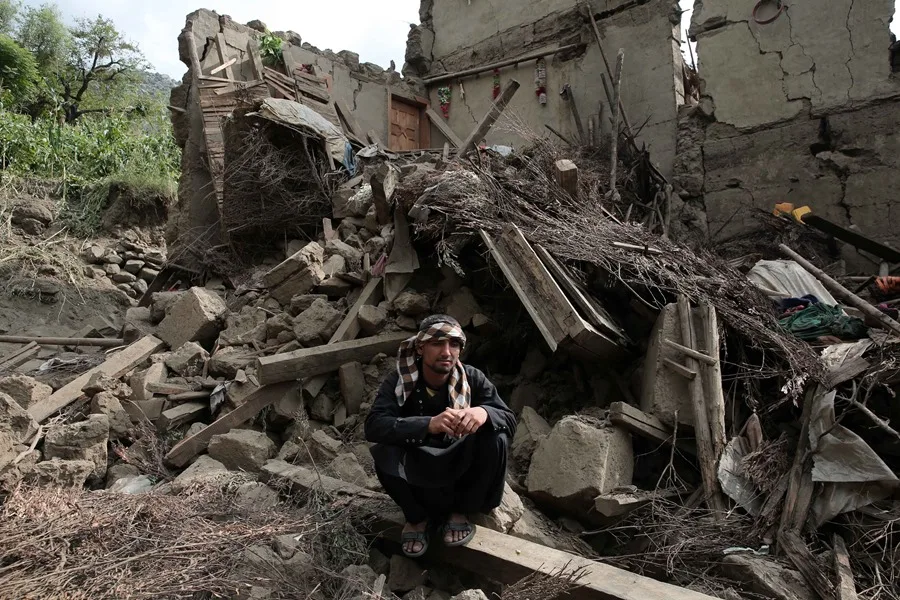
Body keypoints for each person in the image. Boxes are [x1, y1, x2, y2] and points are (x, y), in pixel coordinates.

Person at [365, 314, 516, 557]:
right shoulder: (398, 381)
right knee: (384, 450)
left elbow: (508, 419)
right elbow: (374, 426)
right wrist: (428, 425)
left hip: (462, 475)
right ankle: (416, 519)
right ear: (421, 348)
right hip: (419, 475)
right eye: (437, 344)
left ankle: (461, 512)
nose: (446, 352)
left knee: (495, 437)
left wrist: (482, 412)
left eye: (454, 344)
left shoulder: (473, 378)